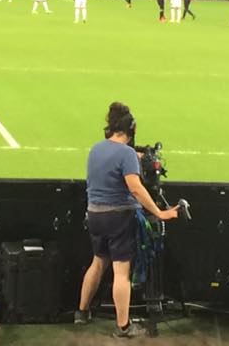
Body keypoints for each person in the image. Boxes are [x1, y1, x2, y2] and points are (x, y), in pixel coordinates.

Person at [75, 103, 179, 338]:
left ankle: (81, 313)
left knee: (98, 262)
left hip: (95, 215)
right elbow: (135, 187)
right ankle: (123, 327)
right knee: (121, 272)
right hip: (118, 218)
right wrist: (160, 213)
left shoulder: (96, 149)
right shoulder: (127, 154)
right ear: (131, 130)